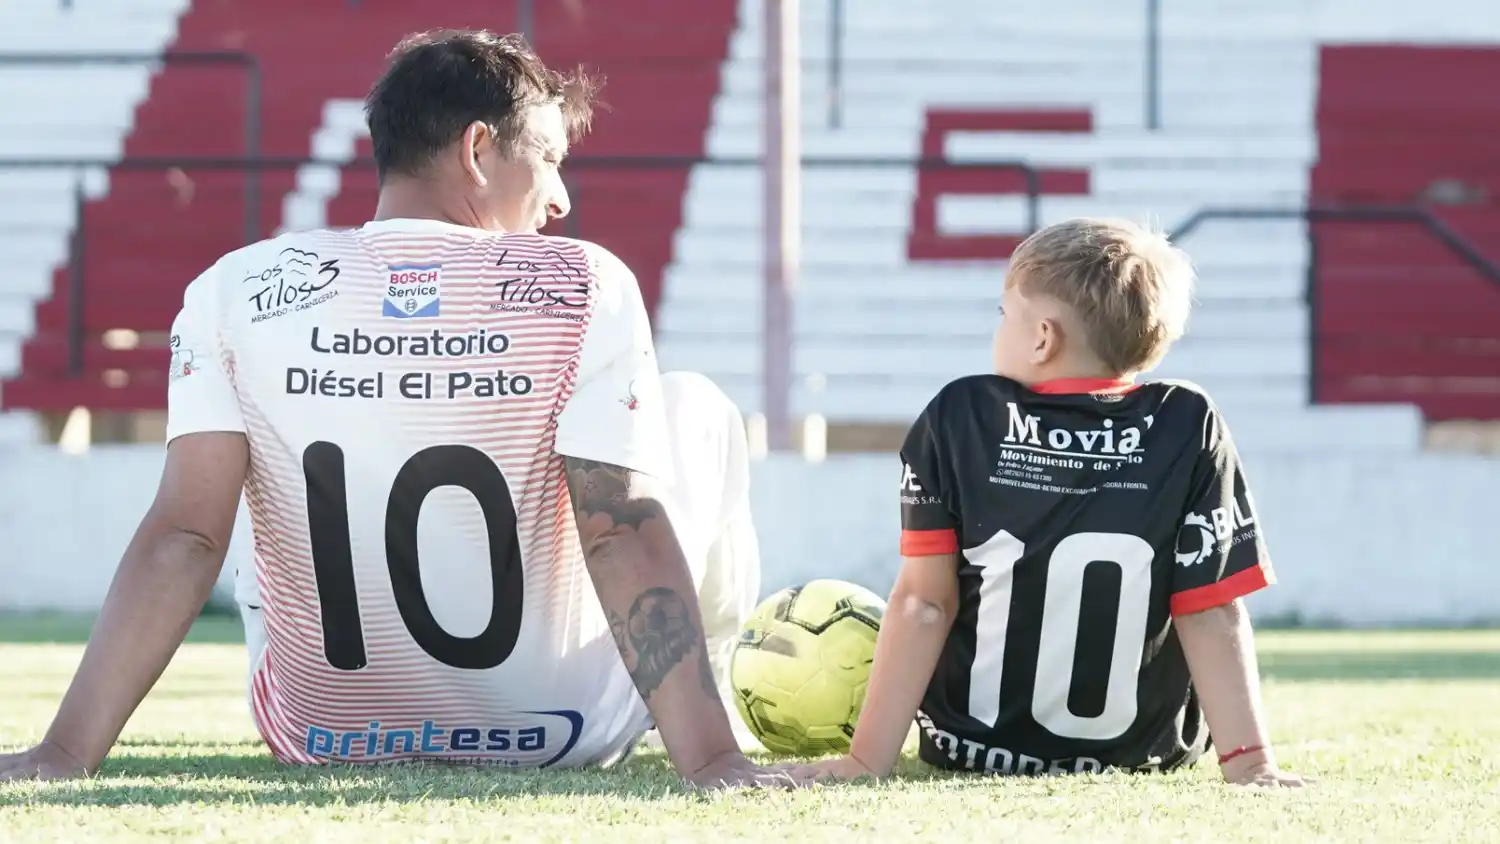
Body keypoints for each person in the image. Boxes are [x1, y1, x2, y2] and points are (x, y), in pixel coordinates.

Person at [0, 29, 793, 790]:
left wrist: (65, 752)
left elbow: (186, 536)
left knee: (255, 494)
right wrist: (714, 766)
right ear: (479, 151)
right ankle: (709, 717)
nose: (557, 198)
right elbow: (617, 528)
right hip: (562, 729)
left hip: (318, 730)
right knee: (696, 405)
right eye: (548, 159)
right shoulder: (585, 283)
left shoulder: (234, 288)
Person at [810, 219, 1308, 787]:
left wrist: (864, 761)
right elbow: (1209, 607)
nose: (997, 330)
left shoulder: (962, 415)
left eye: (1004, 315)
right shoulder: (1187, 423)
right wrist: (1250, 762)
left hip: (972, 747)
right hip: (1141, 755)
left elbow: (925, 604)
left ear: (1043, 337)